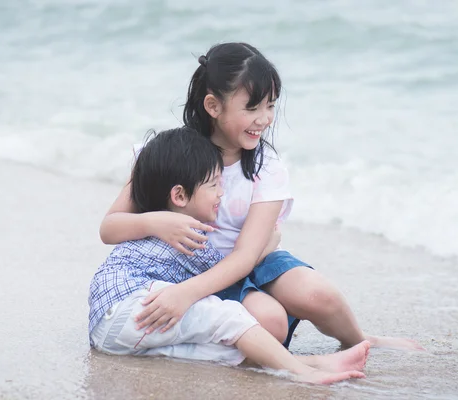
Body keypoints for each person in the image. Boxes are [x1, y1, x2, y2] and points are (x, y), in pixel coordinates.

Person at [99, 42, 424, 352]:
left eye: (270, 105)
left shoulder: (266, 167)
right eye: (252, 107)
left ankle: (360, 340)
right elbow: (109, 228)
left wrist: (186, 295)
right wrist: (155, 222)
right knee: (272, 323)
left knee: (319, 296)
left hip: (251, 260)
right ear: (213, 106)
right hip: (187, 268)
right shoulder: (168, 155)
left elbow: (246, 256)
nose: (265, 118)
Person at [88, 127, 369, 384]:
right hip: (134, 304)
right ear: (180, 196)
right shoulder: (188, 232)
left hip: (107, 330)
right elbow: (227, 270)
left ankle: (312, 362)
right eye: (213, 185)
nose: (221, 193)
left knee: (211, 346)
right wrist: (268, 244)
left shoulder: (158, 223)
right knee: (231, 317)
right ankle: (303, 373)